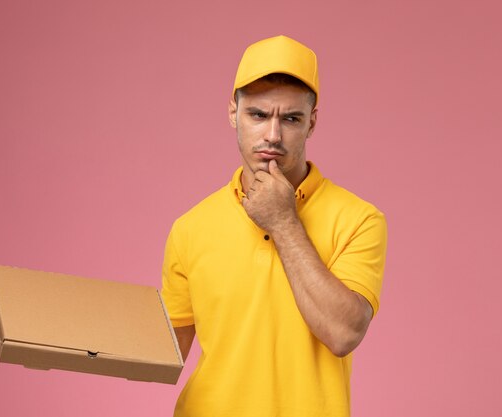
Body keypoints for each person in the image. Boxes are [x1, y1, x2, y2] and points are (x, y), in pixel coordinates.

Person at [161, 35, 387, 417]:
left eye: (291, 118)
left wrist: (283, 222)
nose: (273, 135)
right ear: (234, 113)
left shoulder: (359, 219)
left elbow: (344, 333)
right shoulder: (190, 227)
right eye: (258, 115)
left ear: (311, 123)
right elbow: (163, 357)